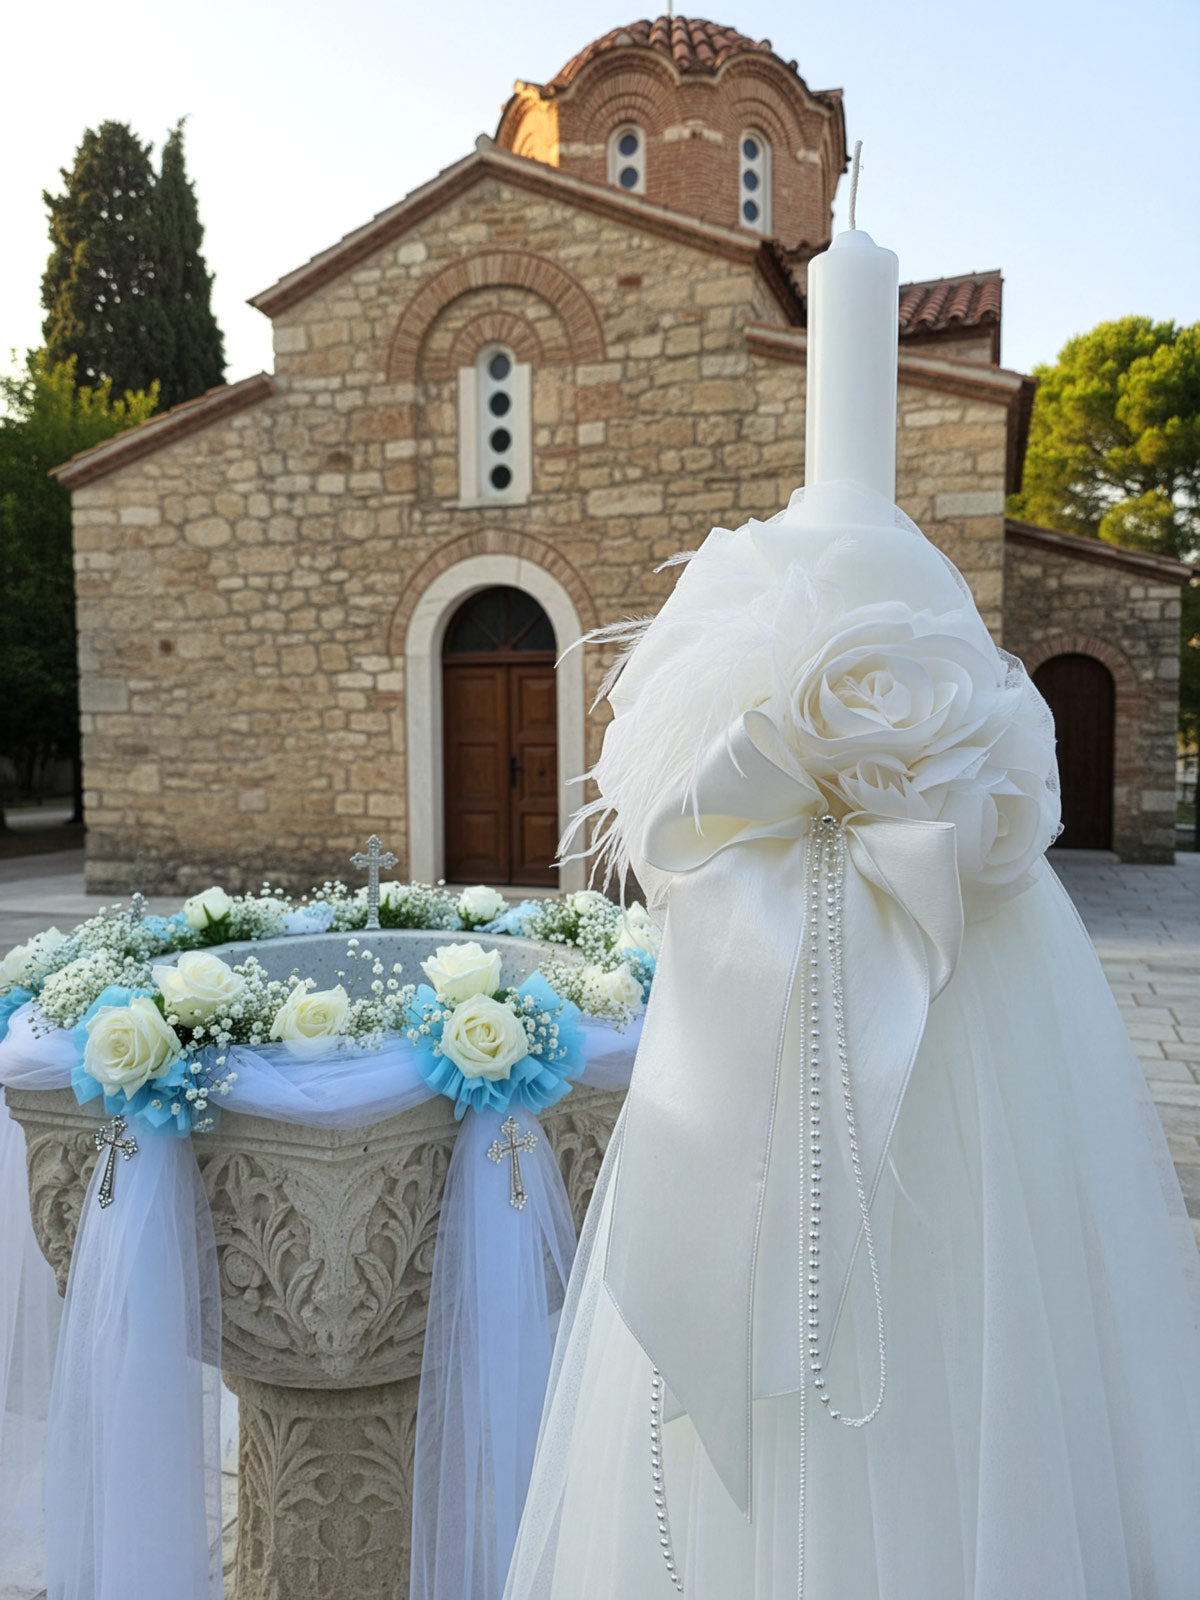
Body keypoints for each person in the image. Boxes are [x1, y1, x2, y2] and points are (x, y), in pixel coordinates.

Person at [502, 481, 1200, 1600]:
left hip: (947, 1022)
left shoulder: (977, 898)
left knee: (958, 1295)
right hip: (811, 931)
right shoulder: (760, 725)